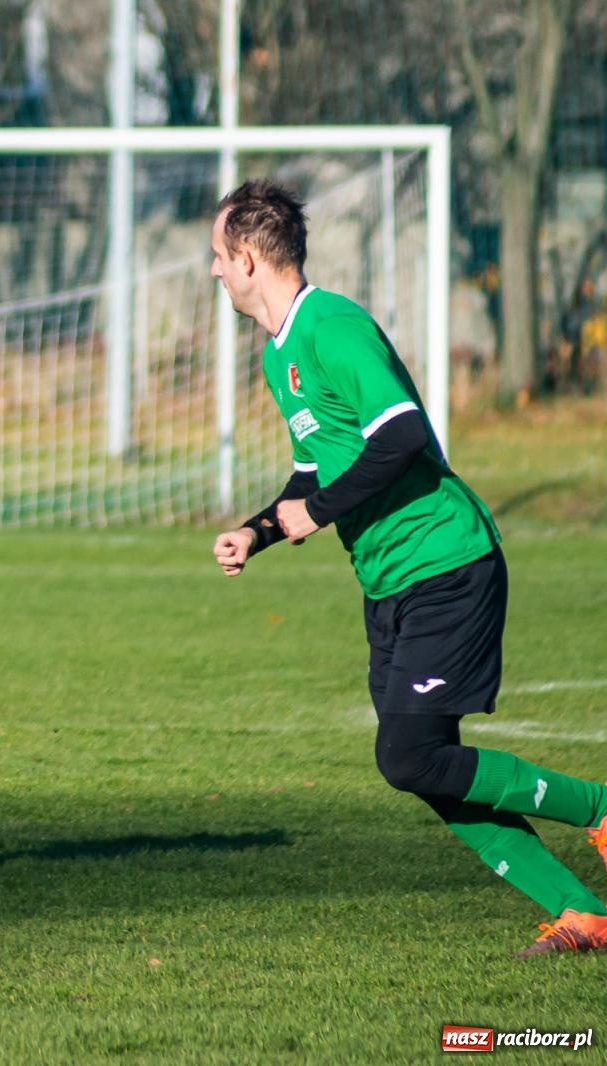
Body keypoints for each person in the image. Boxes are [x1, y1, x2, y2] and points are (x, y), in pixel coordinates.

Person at [209, 178, 607, 958]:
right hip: (389, 583)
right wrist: (260, 530)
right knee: (425, 765)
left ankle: (595, 807)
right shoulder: (279, 354)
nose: (215, 272)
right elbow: (316, 471)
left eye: (219, 257)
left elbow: (400, 438)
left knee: (408, 753)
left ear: (250, 259)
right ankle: (581, 913)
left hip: (446, 564)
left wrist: (313, 515)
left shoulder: (333, 327)